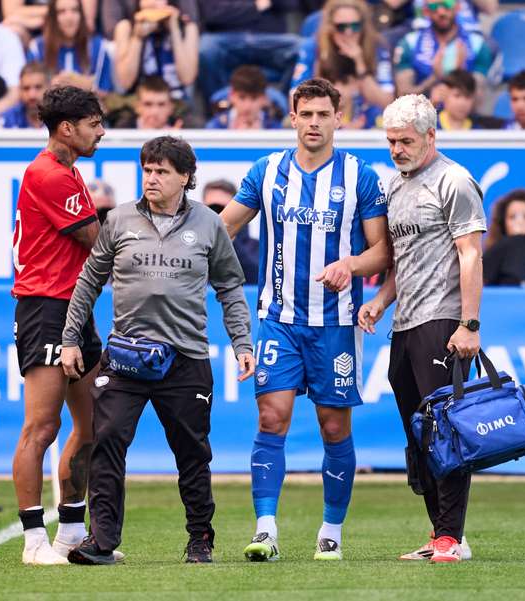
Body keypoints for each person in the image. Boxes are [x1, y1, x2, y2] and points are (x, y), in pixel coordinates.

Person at [61, 136, 256, 565]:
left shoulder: (209, 223)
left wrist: (242, 342)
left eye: (162, 171)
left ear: (185, 177)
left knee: (192, 452)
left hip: (185, 358)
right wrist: (71, 338)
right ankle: (102, 541)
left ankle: (200, 538)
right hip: (126, 356)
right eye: (147, 169)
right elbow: (89, 280)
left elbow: (229, 286)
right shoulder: (118, 220)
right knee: (107, 441)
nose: (152, 177)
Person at [219, 78, 391, 562]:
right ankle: (266, 530)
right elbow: (224, 227)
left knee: (334, 429)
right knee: (271, 418)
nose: (314, 123)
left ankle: (331, 530)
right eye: (305, 114)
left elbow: (382, 252)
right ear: (292, 118)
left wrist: (350, 266)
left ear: (340, 119)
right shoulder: (267, 170)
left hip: (336, 324)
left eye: (323, 114)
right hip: (278, 319)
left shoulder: (361, 176)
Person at [357, 93, 485, 563]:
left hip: (443, 321)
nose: (396, 149)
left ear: (431, 135)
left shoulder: (454, 181)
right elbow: (402, 262)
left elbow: (470, 254)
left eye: (405, 141)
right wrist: (379, 301)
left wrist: (469, 324)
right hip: (405, 323)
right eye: (391, 141)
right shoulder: (395, 186)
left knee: (445, 431)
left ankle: (453, 536)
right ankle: (439, 534)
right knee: (419, 436)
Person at [10, 85, 111, 566]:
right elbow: (97, 241)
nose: (101, 132)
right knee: (41, 427)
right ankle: (34, 540)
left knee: (92, 425)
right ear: (67, 128)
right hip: (45, 307)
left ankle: (70, 531)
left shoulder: (67, 172)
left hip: (76, 305)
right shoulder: (48, 174)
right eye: (94, 124)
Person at [291, 0, 394, 109]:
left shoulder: (377, 46)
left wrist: (360, 64)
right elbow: (294, 103)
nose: (348, 32)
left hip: (369, 122)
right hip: (326, 122)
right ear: (330, 27)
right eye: (341, 27)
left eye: (355, 26)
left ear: (363, 26)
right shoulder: (313, 47)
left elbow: (387, 103)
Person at [393, 0, 496, 97]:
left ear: (457, 7)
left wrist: (461, 76)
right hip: (422, 113)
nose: (441, 12)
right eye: (434, 7)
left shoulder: (477, 45)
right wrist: (433, 78)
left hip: (463, 115)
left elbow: (479, 103)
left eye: (447, 4)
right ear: (426, 11)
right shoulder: (410, 43)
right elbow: (402, 96)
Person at [113, 0, 198, 101]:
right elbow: (126, 82)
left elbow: (187, 78)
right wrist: (137, 38)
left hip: (175, 101)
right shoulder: (125, 27)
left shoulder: (187, 27)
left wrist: (174, 31)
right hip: (138, 101)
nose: (153, 3)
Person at [27, 0, 115, 95]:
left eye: (75, 10)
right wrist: (52, 85)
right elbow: (30, 92)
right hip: (50, 107)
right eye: (62, 11)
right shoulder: (37, 48)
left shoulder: (98, 47)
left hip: (86, 107)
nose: (69, 17)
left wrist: (85, 85)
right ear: (52, 17)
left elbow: (105, 92)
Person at [202, 179, 258, 285]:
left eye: (224, 209)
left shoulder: (256, 247)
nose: (218, 214)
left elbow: (255, 278)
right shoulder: (191, 244)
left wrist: (230, 237)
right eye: (212, 208)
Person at [205, 65, 282, 130]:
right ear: (231, 96)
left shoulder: (275, 128)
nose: (247, 106)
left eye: (254, 98)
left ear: (264, 99)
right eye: (242, 98)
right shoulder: (215, 127)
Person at [433, 69, 503, 130]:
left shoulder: (479, 132)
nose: (463, 103)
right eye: (457, 95)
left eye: (468, 96)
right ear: (443, 93)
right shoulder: (429, 126)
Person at [0, 62, 50, 129]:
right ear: (20, 90)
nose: (32, 95)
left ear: (49, 88)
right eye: (26, 88)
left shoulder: (60, 119)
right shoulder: (7, 119)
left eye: (38, 87)